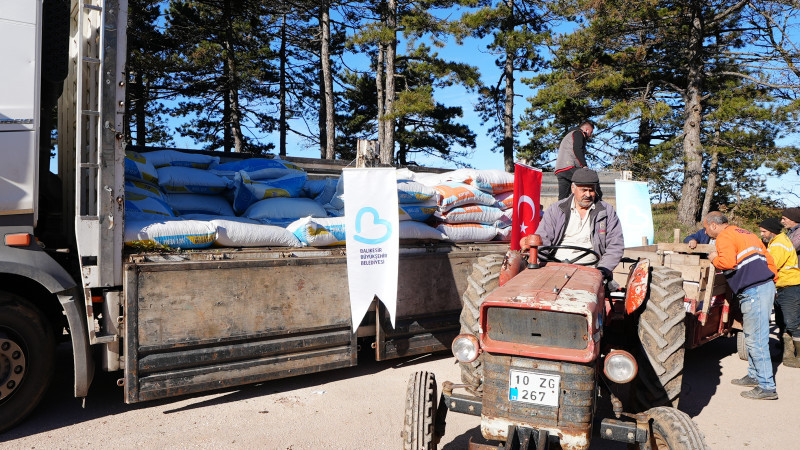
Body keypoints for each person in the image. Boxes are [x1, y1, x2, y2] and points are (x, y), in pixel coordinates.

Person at [704, 211, 778, 400]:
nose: (706, 232)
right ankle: (754, 375)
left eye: (706, 228)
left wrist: (713, 257)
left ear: (713, 225)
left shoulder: (724, 237)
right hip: (762, 287)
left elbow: (727, 262)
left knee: (757, 339)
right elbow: (769, 260)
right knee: (752, 335)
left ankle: (767, 386)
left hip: (754, 290)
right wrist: (770, 282)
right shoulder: (747, 233)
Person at [523, 168, 624, 281]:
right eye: (584, 190)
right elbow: (543, 240)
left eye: (591, 190)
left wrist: (602, 271)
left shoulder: (607, 211)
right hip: (556, 266)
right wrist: (539, 261)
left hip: (591, 269)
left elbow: (615, 246)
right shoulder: (556, 210)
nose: (588, 194)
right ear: (573, 188)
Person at [758, 217, 800, 368]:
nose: (761, 234)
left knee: (792, 323)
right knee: (782, 322)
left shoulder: (779, 244)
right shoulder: (776, 241)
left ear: (771, 231)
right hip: (783, 286)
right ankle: (786, 354)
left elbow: (771, 266)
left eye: (763, 231)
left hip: (789, 286)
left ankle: (798, 357)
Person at [554, 121, 594, 200]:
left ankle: (560, 212)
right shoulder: (578, 133)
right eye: (591, 132)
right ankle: (595, 207)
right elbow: (577, 149)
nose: (591, 135)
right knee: (589, 182)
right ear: (587, 130)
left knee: (563, 198)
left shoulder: (569, 135)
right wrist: (584, 165)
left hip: (560, 169)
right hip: (570, 166)